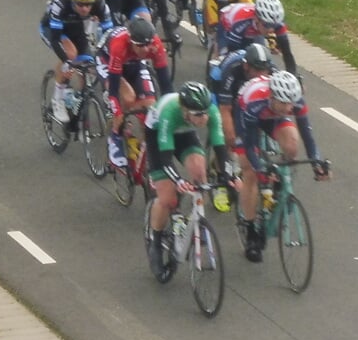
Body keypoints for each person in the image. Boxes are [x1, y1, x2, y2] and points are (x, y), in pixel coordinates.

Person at [234, 70, 330, 262]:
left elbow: (308, 136)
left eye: (291, 103)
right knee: (250, 172)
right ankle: (252, 230)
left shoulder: (294, 102)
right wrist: (259, 169)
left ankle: (279, 185)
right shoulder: (255, 101)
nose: (289, 108)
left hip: (272, 116)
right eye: (284, 103)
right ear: (272, 96)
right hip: (247, 117)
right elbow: (250, 145)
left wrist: (317, 162)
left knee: (292, 146)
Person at [146, 81, 236, 268]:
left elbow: (221, 150)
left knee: (199, 172)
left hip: (185, 132)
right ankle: (155, 239)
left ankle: (197, 217)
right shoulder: (170, 112)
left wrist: (228, 176)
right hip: (158, 135)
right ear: (184, 109)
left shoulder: (210, 111)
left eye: (205, 112)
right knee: (168, 197)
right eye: (198, 114)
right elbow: (165, 159)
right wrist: (177, 180)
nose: (203, 118)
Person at [104, 16, 171, 167]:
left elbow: (166, 85)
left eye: (148, 44)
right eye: (141, 46)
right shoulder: (119, 45)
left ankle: (146, 148)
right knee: (127, 98)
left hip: (134, 63)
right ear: (131, 42)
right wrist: (118, 112)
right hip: (108, 60)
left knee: (150, 105)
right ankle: (115, 137)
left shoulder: (155, 45)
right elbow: (113, 91)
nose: (146, 49)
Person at [39, 0, 105, 124]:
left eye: (88, 4)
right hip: (52, 30)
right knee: (71, 54)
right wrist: (67, 62)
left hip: (75, 29)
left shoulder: (99, 5)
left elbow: (110, 35)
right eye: (80, 4)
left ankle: (81, 116)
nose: (85, 8)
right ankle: (58, 99)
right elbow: (56, 40)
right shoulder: (60, 3)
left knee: (87, 71)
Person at [216, 0, 297, 74]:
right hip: (228, 24)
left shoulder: (278, 23)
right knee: (226, 61)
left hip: (253, 30)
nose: (271, 30)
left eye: (274, 25)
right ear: (256, 19)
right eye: (267, 25)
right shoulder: (242, 22)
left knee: (263, 59)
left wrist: (293, 75)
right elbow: (233, 50)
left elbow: (287, 53)